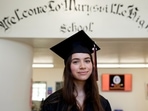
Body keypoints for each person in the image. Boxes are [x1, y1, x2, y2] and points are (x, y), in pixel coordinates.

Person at [41, 30, 112, 111]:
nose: (82, 66)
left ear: (92, 65)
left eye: (87, 61)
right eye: (75, 62)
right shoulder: (52, 103)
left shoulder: (102, 103)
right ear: (68, 67)